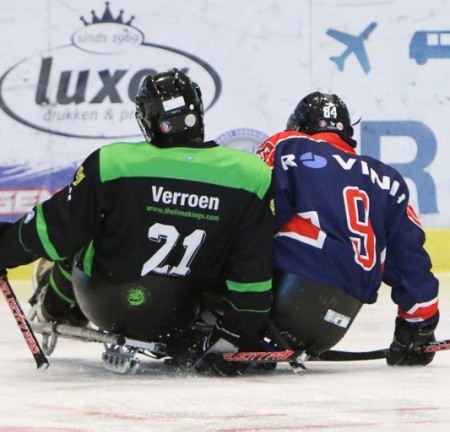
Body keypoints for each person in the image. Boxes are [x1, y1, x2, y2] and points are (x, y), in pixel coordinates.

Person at [0, 68, 274, 376]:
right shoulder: (252, 174)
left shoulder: (114, 162)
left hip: (105, 306)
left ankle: (54, 309)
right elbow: (252, 267)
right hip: (182, 312)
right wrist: (236, 335)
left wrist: (5, 248)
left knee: (83, 234)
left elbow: (55, 230)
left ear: (148, 119)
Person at [256, 91, 439, 366]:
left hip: (282, 302)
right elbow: (409, 255)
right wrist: (419, 328)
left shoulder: (287, 145)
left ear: (298, 125)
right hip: (336, 323)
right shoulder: (388, 180)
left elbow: (249, 212)